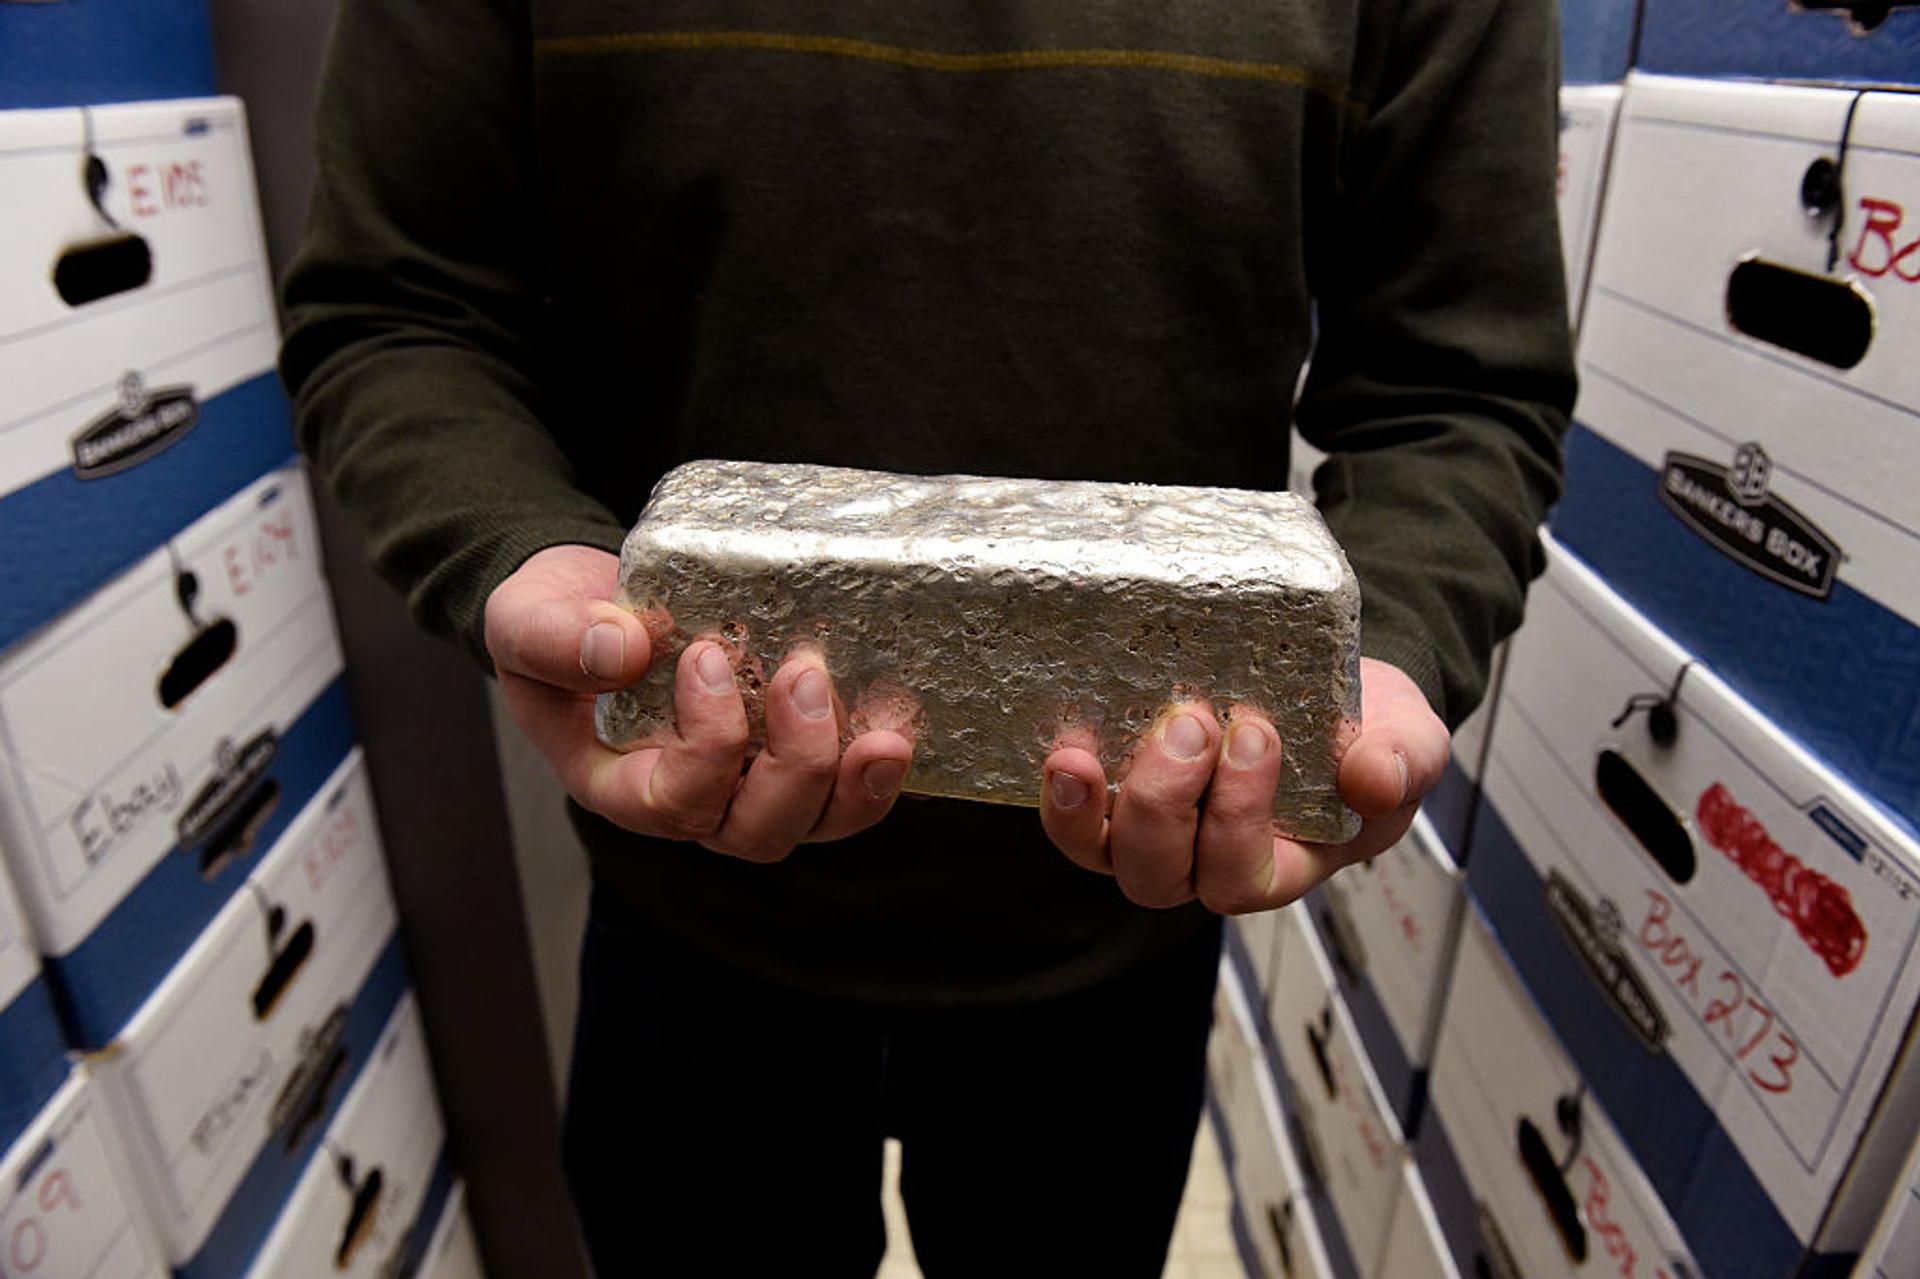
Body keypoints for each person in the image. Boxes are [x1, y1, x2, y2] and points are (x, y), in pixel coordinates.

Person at [281, 2, 1572, 1275]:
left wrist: (1388, 647)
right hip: (686, 905)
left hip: (1127, 919)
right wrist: (516, 550)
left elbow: (1457, 386)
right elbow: (400, 307)